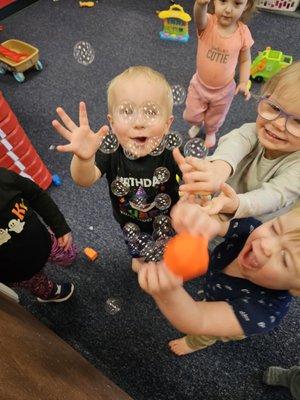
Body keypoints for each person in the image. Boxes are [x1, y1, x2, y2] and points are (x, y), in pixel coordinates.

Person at [52, 66, 181, 272]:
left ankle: (163, 254)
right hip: (129, 221)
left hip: (171, 220)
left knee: (168, 244)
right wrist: (84, 158)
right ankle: (139, 257)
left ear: (167, 124)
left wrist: (198, 185)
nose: (139, 122)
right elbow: (84, 180)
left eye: (151, 112)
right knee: (135, 245)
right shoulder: (110, 148)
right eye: (127, 112)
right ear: (112, 123)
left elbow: (193, 177)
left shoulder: (173, 151)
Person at [138, 194, 300, 356]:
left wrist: (168, 293)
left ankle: (194, 344)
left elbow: (199, 320)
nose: (266, 244)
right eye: (274, 228)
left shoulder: (264, 311)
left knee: (206, 334)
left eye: (285, 259)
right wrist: (201, 225)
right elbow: (217, 224)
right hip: (215, 285)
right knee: (207, 298)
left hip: (230, 317)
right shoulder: (251, 230)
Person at [176, 61, 300, 222]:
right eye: (274, 108)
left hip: (257, 226)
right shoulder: (254, 131)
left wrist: (237, 203)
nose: (277, 123)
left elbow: (274, 196)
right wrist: (218, 170)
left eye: (298, 121)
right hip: (220, 204)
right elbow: (235, 143)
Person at [184, 0, 255, 148]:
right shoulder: (207, 23)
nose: (228, 9)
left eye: (237, 4)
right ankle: (197, 123)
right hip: (200, 85)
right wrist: (200, 5)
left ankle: (210, 132)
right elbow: (198, 18)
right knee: (191, 115)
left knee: (215, 118)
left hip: (224, 90)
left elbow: (245, 60)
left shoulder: (243, 32)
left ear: (246, 5)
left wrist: (243, 82)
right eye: (223, 1)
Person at [0, 167, 77, 302]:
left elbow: (36, 195)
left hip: (44, 240)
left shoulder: (3, 178)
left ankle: (67, 258)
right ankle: (52, 292)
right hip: (18, 272)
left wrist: (60, 227)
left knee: (67, 254)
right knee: (41, 287)